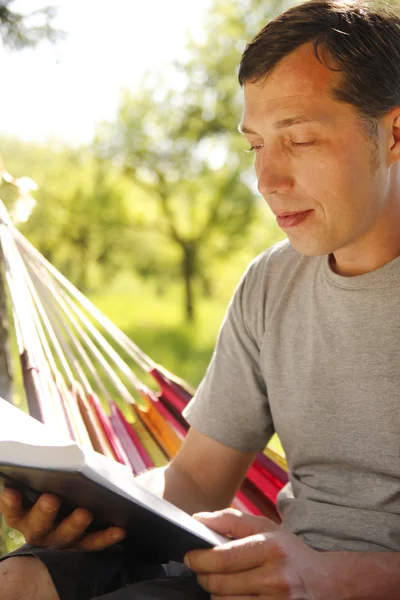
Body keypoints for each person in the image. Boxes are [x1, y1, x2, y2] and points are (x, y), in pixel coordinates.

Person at [2, 0, 400, 598]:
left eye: (299, 139)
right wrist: (86, 511)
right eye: (255, 146)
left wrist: (325, 577)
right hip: (271, 574)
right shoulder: (273, 283)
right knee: (23, 577)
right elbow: (196, 478)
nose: (267, 180)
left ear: (394, 133)